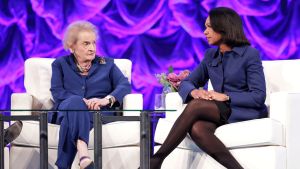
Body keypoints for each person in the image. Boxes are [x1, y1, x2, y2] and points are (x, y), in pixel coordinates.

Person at [150, 7, 268, 169]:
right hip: (221, 111)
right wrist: (194, 91)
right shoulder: (210, 56)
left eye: (209, 27)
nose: (205, 32)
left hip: (244, 110)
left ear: (224, 27)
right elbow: (187, 82)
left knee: (196, 105)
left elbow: (258, 96)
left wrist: (226, 96)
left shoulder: (250, 54)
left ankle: (155, 161)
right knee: (197, 128)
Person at [49, 21, 131, 169]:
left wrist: (106, 100)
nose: (92, 48)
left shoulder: (107, 64)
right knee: (74, 103)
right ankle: (83, 155)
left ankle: (65, 165)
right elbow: (57, 92)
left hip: (97, 114)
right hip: (66, 109)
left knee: (72, 117)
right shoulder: (60, 64)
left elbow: (124, 85)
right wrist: (83, 102)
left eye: (93, 43)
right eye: (86, 44)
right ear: (72, 46)